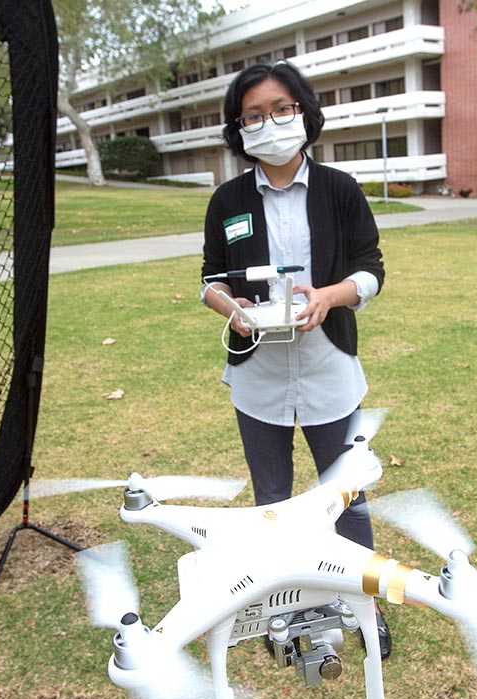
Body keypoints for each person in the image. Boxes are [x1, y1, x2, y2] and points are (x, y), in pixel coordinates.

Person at [195, 66, 385, 545]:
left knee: (345, 496)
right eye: (253, 116)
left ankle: (362, 606)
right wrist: (231, 309)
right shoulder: (226, 201)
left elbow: (371, 270)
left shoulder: (340, 189)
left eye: (281, 109)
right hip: (258, 377)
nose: (270, 122)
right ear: (239, 130)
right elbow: (210, 280)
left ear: (303, 111)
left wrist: (328, 297)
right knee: (272, 500)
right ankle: (285, 599)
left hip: (329, 367)